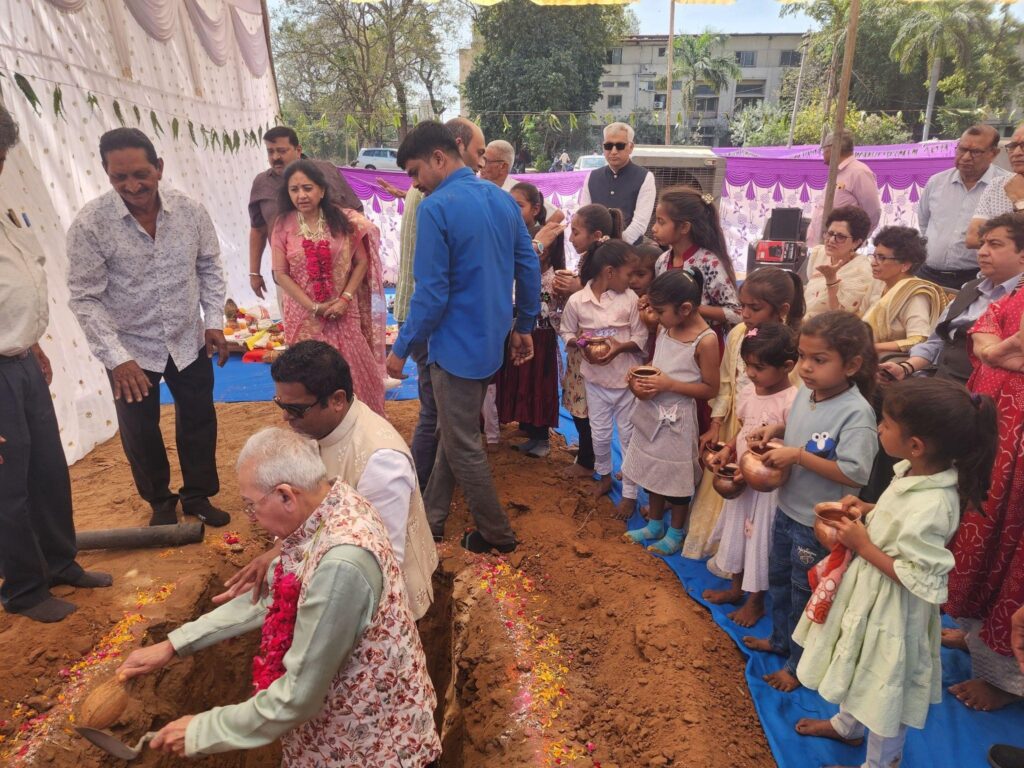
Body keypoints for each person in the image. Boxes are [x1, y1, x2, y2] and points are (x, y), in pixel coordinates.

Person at [116, 428, 441, 766]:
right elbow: (277, 595)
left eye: (251, 506)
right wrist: (175, 644)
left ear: (286, 495)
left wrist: (201, 731)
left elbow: (298, 696)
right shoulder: (333, 503)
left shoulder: (341, 564)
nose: (252, 519)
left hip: (374, 751)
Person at [792, 378, 996, 768]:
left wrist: (863, 545)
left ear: (915, 444)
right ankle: (847, 727)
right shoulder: (914, 473)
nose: (879, 428)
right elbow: (897, 521)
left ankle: (882, 762)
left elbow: (919, 577)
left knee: (883, 689)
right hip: (871, 595)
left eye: (885, 423)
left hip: (894, 611)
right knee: (859, 666)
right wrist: (868, 510)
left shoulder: (934, 505)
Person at [386, 121, 540, 554]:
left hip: (453, 347)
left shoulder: (436, 207)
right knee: (455, 433)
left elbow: (431, 293)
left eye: (415, 172)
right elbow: (527, 266)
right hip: (490, 342)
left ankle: (497, 534)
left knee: (461, 443)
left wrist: (400, 348)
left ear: (438, 158)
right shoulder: (502, 198)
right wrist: (524, 325)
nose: (414, 184)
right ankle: (432, 518)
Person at [67, 128, 230, 528]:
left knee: (198, 417)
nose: (132, 185)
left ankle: (197, 496)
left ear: (159, 167)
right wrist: (117, 358)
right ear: (106, 173)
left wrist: (213, 321)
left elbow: (209, 267)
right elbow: (85, 297)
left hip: (187, 338)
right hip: (130, 350)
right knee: (139, 430)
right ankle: (160, 501)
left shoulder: (190, 212)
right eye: (119, 177)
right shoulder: (91, 224)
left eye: (141, 174)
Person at [214, 341, 437, 621]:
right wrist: (280, 550)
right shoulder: (320, 427)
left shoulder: (381, 462)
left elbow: (380, 561)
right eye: (280, 404)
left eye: (295, 409)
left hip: (379, 603)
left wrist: (293, 566)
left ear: (337, 400)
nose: (285, 417)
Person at [0, 104, 112, 623]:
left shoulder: (5, 208)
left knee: (47, 467)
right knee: (9, 484)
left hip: (22, 361)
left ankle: (60, 561)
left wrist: (35, 341)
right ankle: (24, 588)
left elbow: (19, 285)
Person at [742, 311, 879, 693]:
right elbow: (813, 434)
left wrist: (798, 456)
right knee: (780, 582)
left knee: (806, 594)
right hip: (787, 509)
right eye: (803, 356)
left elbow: (854, 473)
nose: (805, 367)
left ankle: (798, 666)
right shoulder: (808, 392)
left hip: (816, 524)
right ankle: (781, 641)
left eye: (819, 359)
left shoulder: (856, 413)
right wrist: (778, 428)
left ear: (851, 365)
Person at [942, 258, 1024, 712]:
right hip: (998, 430)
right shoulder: (1014, 292)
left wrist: (1000, 349)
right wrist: (996, 350)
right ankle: (974, 631)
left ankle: (1006, 680)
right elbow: (986, 332)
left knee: (1013, 553)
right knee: (978, 530)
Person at [690, 268, 805, 562]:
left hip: (770, 445)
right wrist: (716, 424)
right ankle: (730, 557)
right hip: (739, 425)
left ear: (782, 310)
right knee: (733, 501)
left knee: (761, 517)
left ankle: (753, 567)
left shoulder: (793, 349)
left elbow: (793, 414)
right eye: (742, 306)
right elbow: (727, 382)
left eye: (755, 308)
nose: (745, 314)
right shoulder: (739, 334)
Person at [270, 160, 385, 415]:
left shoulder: (344, 220)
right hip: (303, 316)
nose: (301, 195)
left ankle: (358, 425)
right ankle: (314, 427)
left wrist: (344, 299)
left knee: (353, 372)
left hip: (343, 312)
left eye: (307, 188)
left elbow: (361, 262)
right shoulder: (283, 224)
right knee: (309, 377)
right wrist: (313, 307)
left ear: (321, 190)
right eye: (294, 189)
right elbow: (280, 273)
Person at [703, 323, 798, 628]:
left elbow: (789, 450)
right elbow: (745, 430)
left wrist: (753, 471)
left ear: (787, 366)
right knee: (736, 531)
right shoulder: (748, 391)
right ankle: (735, 587)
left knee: (759, 539)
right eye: (747, 365)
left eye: (759, 367)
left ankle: (755, 601)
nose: (751, 373)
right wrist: (729, 450)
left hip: (766, 488)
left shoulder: (792, 401)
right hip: (741, 480)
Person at [621, 269, 719, 554]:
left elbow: (711, 388)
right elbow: (659, 363)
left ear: (685, 308)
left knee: (675, 480)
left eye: (660, 311)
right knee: (653, 470)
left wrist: (670, 385)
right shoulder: (667, 327)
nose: (655, 316)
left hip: (677, 419)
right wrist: (640, 375)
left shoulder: (706, 340)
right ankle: (655, 525)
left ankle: (675, 532)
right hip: (652, 411)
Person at [559, 240, 647, 520]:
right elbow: (566, 331)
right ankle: (605, 477)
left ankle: (630, 493)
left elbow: (641, 337)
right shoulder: (577, 301)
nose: (632, 280)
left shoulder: (630, 300)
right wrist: (580, 344)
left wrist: (619, 348)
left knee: (629, 436)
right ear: (610, 272)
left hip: (626, 381)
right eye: (628, 274)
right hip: (595, 380)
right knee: (599, 434)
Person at [880, 213, 1024, 385]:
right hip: (940, 381)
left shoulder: (1019, 300)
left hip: (983, 391)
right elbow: (937, 342)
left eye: (994, 244)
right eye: (982, 244)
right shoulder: (969, 288)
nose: (982, 252)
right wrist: (906, 367)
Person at [247, 126, 361, 300]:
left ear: (298, 149)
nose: (275, 157)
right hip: (288, 281)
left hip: (339, 278)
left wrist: (357, 269)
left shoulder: (326, 172)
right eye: (270, 152)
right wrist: (254, 273)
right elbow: (258, 229)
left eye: (282, 151)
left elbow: (356, 216)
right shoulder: (262, 183)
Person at [553, 204, 624, 480]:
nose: (571, 238)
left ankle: (586, 461)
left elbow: (607, 298)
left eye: (576, 232)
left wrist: (577, 289)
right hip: (581, 345)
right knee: (580, 402)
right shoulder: (589, 260)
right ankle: (587, 450)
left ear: (596, 235)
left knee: (586, 406)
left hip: (592, 346)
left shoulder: (607, 265)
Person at [496, 183, 565, 459]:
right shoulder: (525, 269)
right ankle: (529, 429)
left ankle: (541, 438)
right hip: (524, 333)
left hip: (542, 340)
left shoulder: (553, 278)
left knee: (539, 388)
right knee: (523, 385)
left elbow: (550, 307)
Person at [917, 125, 1008, 291]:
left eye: (975, 152)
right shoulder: (937, 182)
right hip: (928, 274)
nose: (966, 157)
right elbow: (924, 223)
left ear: (993, 154)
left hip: (975, 278)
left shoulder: (1005, 186)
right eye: (962, 149)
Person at [652, 186, 741, 328]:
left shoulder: (709, 263)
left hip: (703, 339)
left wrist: (691, 309)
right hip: (669, 338)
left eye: (661, 222)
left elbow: (736, 314)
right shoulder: (662, 261)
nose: (654, 228)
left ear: (684, 227)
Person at [863, 226, 948, 357]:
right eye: (874, 256)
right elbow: (859, 320)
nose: (873, 263)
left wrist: (872, 348)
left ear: (905, 265)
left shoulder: (915, 295)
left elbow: (919, 340)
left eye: (881, 258)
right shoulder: (878, 283)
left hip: (887, 359)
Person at [579, 122, 656, 244]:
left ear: (631, 147)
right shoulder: (592, 177)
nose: (613, 151)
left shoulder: (645, 178)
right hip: (595, 249)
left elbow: (640, 224)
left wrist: (615, 246)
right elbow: (583, 217)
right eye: (608, 146)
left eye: (620, 146)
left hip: (629, 251)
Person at [807, 130, 882, 248]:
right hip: (822, 245)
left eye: (823, 149)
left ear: (832, 148)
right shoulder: (836, 172)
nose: (823, 153)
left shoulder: (859, 172)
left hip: (842, 248)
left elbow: (873, 212)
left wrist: (855, 241)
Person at [803, 205, 880, 319]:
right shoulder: (818, 253)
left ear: (856, 242)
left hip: (830, 327)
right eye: (830, 233)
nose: (831, 240)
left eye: (840, 237)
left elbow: (842, 317)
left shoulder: (862, 271)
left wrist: (831, 280)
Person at [967, 122, 1024, 249]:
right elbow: (972, 237)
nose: (1016, 152)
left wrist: (1020, 201)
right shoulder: (997, 185)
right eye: (1013, 146)